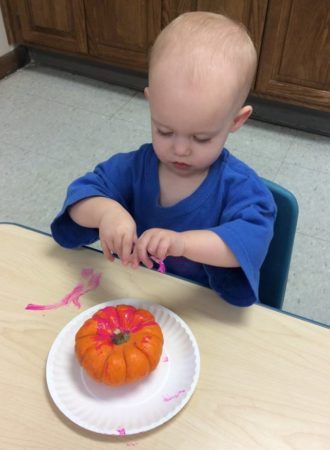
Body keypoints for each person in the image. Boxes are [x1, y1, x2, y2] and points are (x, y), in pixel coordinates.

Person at [51, 11, 277, 307]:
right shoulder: (134, 167)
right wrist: (107, 213)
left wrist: (183, 244)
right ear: (151, 102)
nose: (180, 149)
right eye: (165, 130)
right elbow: (80, 198)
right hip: (132, 298)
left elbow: (249, 242)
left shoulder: (241, 189)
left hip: (199, 309)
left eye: (201, 138)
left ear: (236, 120)